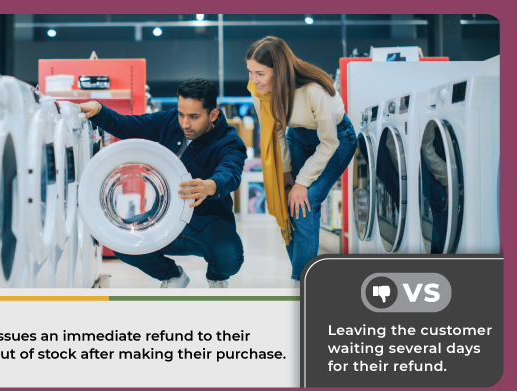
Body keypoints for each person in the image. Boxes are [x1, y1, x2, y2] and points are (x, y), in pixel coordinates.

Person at [78, 78, 247, 288]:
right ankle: (173, 275)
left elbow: (231, 173)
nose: (185, 123)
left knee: (230, 256)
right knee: (119, 240)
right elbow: (127, 126)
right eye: (181, 114)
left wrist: (211, 185)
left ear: (213, 114)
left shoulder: (229, 142)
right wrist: (99, 110)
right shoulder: (169, 121)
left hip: (208, 222)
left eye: (194, 117)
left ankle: (216, 278)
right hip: (164, 217)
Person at [245, 36, 357, 284]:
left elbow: (329, 143)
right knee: (289, 203)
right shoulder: (260, 92)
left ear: (279, 70)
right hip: (297, 135)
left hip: (336, 139)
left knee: (305, 203)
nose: (253, 80)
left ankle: (301, 283)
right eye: (250, 72)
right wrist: (286, 172)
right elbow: (275, 131)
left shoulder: (313, 90)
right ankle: (301, 277)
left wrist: (302, 182)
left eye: (260, 73)